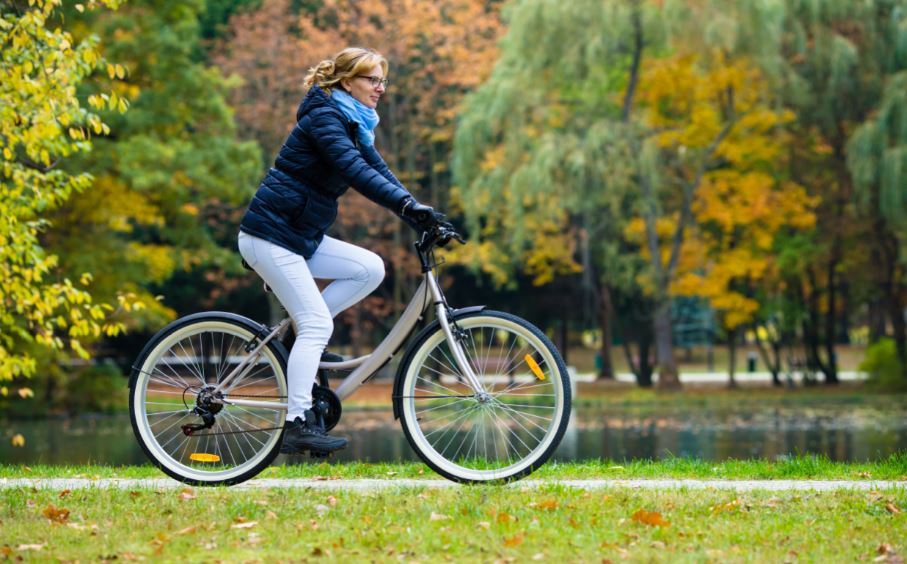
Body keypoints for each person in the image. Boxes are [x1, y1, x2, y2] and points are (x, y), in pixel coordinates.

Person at [237, 47, 443, 455]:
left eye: (383, 80)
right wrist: (405, 207)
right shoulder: (325, 117)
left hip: (300, 236)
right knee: (317, 324)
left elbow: (377, 169)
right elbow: (354, 170)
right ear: (347, 81)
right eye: (372, 80)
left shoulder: (354, 122)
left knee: (369, 268)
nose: (380, 88)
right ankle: (296, 422)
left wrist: (421, 211)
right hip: (269, 236)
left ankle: (301, 339)